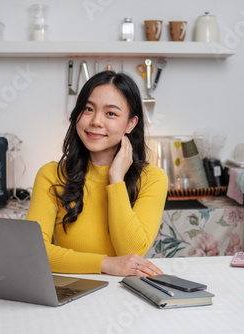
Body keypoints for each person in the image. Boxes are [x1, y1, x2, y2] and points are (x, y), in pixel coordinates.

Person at [26, 70, 168, 277]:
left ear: (130, 123)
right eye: (88, 109)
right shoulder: (51, 174)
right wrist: (106, 264)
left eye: (111, 113)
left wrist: (116, 179)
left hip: (124, 295)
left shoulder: (152, 178)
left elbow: (131, 253)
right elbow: (34, 251)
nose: (96, 121)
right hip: (68, 292)